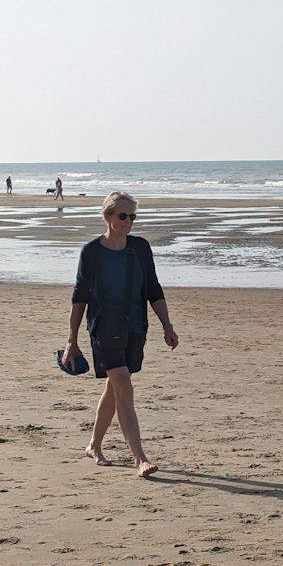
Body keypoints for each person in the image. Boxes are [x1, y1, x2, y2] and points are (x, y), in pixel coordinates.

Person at [62, 192, 179, 478]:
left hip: (135, 327)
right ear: (108, 217)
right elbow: (80, 297)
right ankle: (140, 458)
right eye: (123, 216)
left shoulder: (140, 248)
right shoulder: (92, 251)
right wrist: (72, 340)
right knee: (124, 387)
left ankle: (94, 445)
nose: (128, 222)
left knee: (115, 388)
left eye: (133, 217)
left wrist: (167, 324)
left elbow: (153, 288)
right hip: (104, 328)